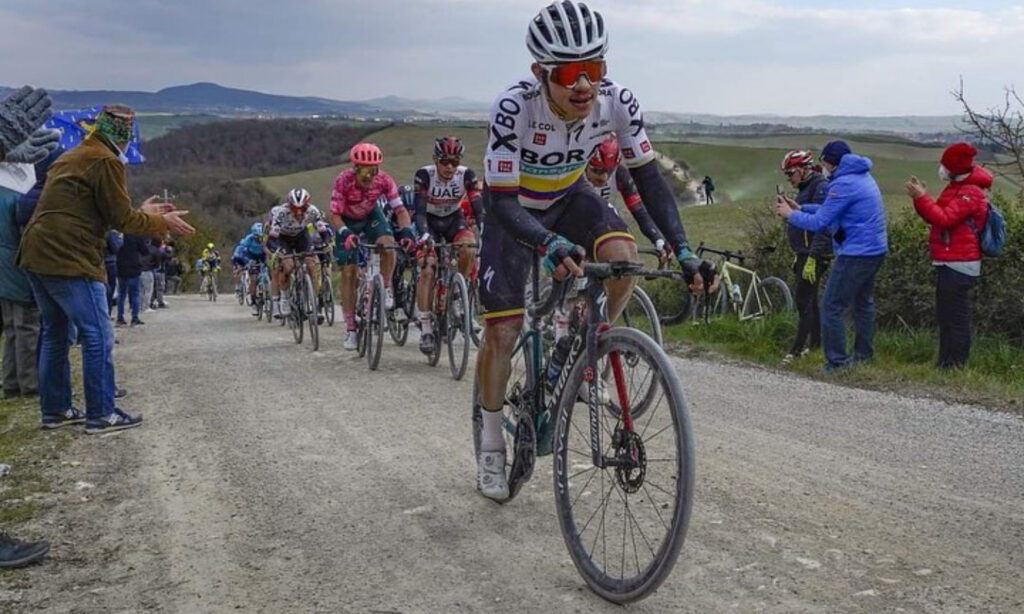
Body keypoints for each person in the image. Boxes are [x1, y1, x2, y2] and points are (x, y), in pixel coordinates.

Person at [475, 1, 716, 500]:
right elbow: (500, 202)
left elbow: (649, 180)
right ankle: (492, 443)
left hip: (568, 197)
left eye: (596, 68)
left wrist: (684, 248)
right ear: (541, 72)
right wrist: (545, 242)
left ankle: (581, 340)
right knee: (503, 328)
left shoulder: (617, 102)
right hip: (515, 208)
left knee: (624, 258)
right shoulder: (514, 107)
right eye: (570, 73)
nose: (585, 85)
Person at [17, 104, 195, 433]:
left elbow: (101, 209)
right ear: (124, 138)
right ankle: (102, 412)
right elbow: (121, 220)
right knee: (97, 333)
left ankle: (55, 410)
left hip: (36, 251)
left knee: (55, 334)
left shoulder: (74, 155)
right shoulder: (107, 161)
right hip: (68, 255)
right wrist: (160, 220)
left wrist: (143, 211)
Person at [776, 140, 887, 373]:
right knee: (863, 303)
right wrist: (801, 208)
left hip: (855, 252)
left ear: (832, 163)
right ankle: (863, 356)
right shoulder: (862, 176)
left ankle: (836, 363)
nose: (822, 167)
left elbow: (820, 223)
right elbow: (829, 211)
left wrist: (789, 215)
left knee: (831, 306)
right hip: (875, 249)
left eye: (824, 162)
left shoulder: (843, 183)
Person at [905, 142, 990, 369]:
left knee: (956, 318)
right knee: (946, 316)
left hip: (960, 263)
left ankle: (955, 364)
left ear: (954, 167)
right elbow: (937, 218)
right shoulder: (956, 187)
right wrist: (920, 199)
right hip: (949, 259)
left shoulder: (970, 192)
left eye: (944, 164)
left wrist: (922, 197)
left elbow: (945, 220)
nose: (941, 168)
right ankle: (945, 362)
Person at [330, 143, 416, 350]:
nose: (369, 176)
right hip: (346, 221)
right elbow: (334, 215)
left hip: (370, 217)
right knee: (349, 274)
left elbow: (400, 209)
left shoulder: (384, 180)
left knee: (388, 244)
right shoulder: (343, 180)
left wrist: (405, 231)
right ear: (355, 168)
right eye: (364, 170)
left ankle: (385, 287)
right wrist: (345, 233)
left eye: (373, 170)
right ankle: (351, 328)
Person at [412, 136, 482, 355]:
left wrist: (485, 230)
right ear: (435, 160)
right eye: (444, 161)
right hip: (429, 222)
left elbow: (478, 208)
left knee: (469, 246)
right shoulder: (424, 175)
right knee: (427, 268)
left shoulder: (466, 175)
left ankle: (457, 293)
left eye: (454, 161)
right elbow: (420, 212)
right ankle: (425, 327)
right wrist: (424, 235)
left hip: (453, 219)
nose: (450, 166)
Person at [778, 150, 831, 364]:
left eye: (791, 173)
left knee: (803, 300)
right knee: (811, 301)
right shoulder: (805, 187)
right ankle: (815, 344)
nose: (789, 178)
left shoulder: (820, 187)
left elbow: (823, 225)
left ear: (803, 169)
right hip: (804, 252)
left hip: (813, 254)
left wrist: (812, 256)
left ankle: (796, 350)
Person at [266, 188, 329, 319]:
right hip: (283, 238)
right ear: (289, 205)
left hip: (302, 236)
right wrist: (275, 250)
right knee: (288, 266)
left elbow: (324, 232)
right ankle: (285, 298)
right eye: (295, 208)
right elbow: (271, 240)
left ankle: (314, 302)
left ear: (308, 205)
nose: (299, 212)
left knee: (312, 265)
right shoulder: (282, 213)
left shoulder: (313, 211)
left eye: (303, 208)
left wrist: (325, 244)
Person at [115, 233, 148, 326]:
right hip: (134, 267)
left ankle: (120, 317)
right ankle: (134, 317)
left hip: (121, 267)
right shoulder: (137, 236)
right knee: (135, 294)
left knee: (121, 294)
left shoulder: (119, 236)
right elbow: (145, 251)